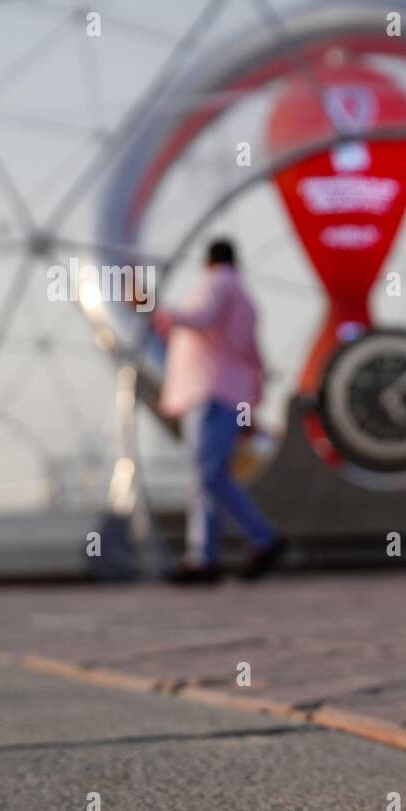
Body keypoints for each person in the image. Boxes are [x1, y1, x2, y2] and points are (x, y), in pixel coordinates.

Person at [154, 239, 285, 583]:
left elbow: (201, 318)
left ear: (208, 262)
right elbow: (253, 355)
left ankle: (259, 537)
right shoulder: (244, 297)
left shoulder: (217, 284)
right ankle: (204, 558)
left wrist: (158, 310)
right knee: (208, 474)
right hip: (232, 395)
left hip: (209, 391)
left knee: (208, 474)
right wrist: (252, 402)